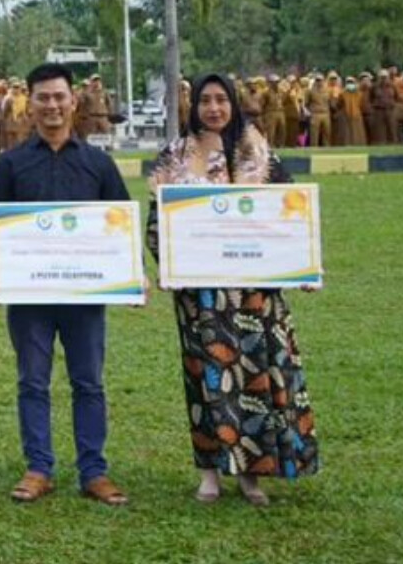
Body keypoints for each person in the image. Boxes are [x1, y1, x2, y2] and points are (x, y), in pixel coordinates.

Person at [147, 74, 320, 506]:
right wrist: (169, 264)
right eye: (205, 100)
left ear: (233, 104)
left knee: (254, 381)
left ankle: (250, 476)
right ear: (194, 107)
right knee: (206, 379)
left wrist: (303, 265)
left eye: (221, 100)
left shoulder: (257, 150)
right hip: (199, 296)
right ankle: (209, 473)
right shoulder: (175, 155)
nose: (213, 108)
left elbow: (290, 214)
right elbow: (158, 222)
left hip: (252, 295)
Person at [0, 63, 136, 507]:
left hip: (83, 297)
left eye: (59, 96)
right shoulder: (11, 164)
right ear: (30, 102)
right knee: (33, 381)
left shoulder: (98, 164)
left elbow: (120, 224)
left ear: (73, 101)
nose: (52, 105)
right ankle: (39, 468)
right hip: (30, 297)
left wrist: (130, 275)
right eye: (42, 97)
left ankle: (94, 471)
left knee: (89, 383)